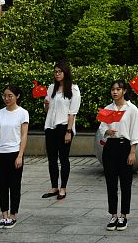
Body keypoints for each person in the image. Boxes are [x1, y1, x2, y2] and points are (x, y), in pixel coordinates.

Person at [98, 79, 138, 232]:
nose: (115, 92)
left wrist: (133, 151)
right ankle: (113, 215)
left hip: (125, 147)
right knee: (111, 183)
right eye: (112, 89)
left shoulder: (132, 109)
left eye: (118, 89)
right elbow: (102, 128)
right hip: (110, 147)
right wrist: (107, 131)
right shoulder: (107, 109)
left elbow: (135, 131)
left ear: (124, 91)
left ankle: (123, 215)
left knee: (125, 183)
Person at [0, 84, 30, 229]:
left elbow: (24, 135)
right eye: (4, 95)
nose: (6, 98)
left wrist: (20, 155)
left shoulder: (23, 113)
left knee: (14, 185)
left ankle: (13, 215)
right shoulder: (0, 113)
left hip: (14, 153)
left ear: (17, 96)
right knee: (1, 186)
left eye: (9, 96)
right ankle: (4, 215)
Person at [42, 60, 80, 201]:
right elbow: (47, 110)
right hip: (50, 126)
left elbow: (72, 112)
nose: (57, 74)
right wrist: (45, 105)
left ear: (65, 73)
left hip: (65, 126)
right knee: (51, 158)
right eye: (55, 71)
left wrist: (68, 131)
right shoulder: (51, 88)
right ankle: (54, 186)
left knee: (63, 158)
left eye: (60, 72)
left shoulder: (73, 89)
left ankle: (63, 187)